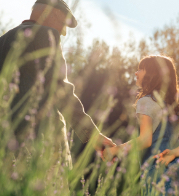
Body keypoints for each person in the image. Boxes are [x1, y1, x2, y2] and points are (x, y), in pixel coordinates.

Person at [0, 0, 115, 194]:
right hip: (40, 146)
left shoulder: (4, 39)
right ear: (51, 14)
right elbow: (60, 90)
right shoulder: (45, 35)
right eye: (63, 24)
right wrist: (92, 136)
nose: (63, 32)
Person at [103, 55, 179, 195]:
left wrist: (115, 151)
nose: (136, 72)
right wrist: (173, 153)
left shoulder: (145, 102)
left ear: (153, 75)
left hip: (158, 173)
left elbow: (145, 140)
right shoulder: (173, 107)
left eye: (141, 69)